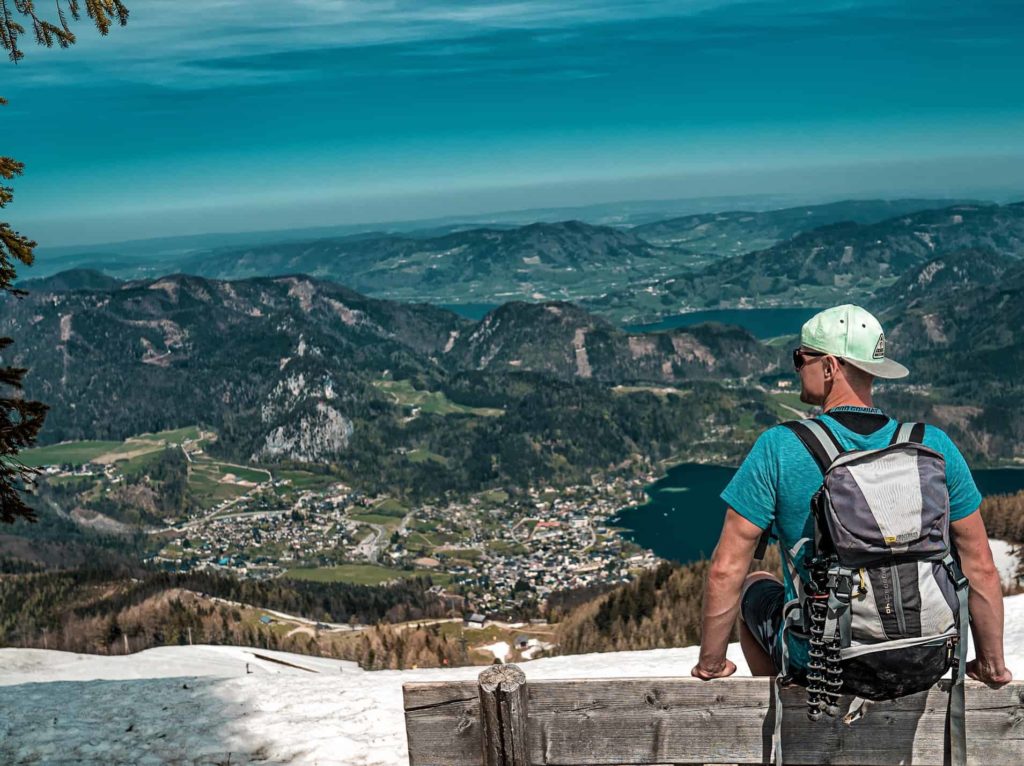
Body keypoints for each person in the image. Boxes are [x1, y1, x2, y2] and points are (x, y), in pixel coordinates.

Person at [689, 304, 1012, 689]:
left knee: (753, 586)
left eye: (800, 357)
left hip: (824, 663)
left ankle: (786, 701)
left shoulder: (779, 447)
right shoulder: (933, 446)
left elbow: (726, 568)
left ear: (829, 367)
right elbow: (980, 567)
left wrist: (711, 664)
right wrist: (991, 666)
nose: (796, 367)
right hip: (924, 656)